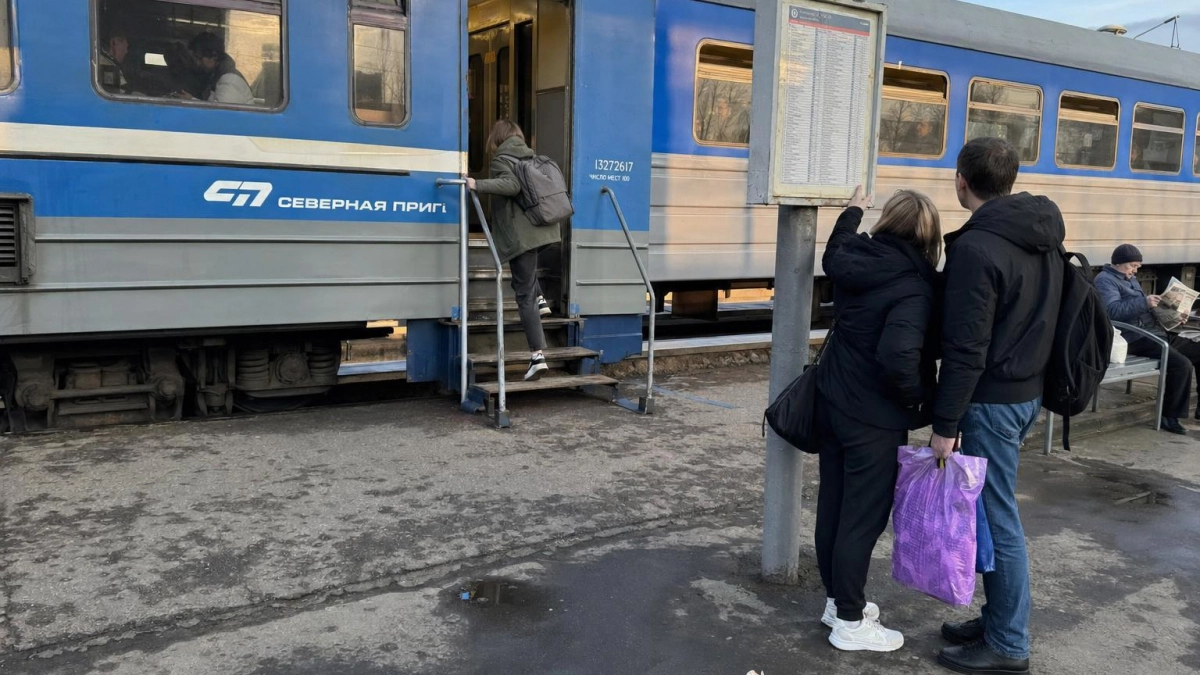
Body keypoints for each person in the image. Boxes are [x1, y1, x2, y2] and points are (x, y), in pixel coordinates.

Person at [931, 137, 1066, 675]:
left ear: (961, 181)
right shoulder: (1042, 234)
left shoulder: (978, 248)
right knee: (993, 515)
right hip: (1026, 391)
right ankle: (997, 619)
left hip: (992, 400)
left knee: (997, 519)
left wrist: (945, 424)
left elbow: (966, 347)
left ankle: (1009, 644)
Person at [815, 186, 942, 653]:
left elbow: (834, 249)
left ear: (886, 222)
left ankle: (837, 603)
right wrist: (919, 403)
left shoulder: (854, 258)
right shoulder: (914, 283)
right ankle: (850, 621)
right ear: (929, 236)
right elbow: (897, 357)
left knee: (834, 505)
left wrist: (852, 210)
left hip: (833, 402)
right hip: (874, 417)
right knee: (862, 519)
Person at [465, 121, 561, 381]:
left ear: (496, 139)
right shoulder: (531, 157)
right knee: (527, 282)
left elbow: (511, 186)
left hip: (523, 237)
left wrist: (477, 184)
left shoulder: (501, 160)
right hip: (545, 230)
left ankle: (537, 356)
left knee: (523, 295)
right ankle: (541, 300)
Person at [1095, 244, 1198, 433]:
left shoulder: (1130, 278)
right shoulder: (1105, 280)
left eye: (1137, 267)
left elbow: (1144, 309)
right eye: (1132, 266)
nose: (1135, 271)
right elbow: (1111, 312)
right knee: (1181, 364)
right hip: (1133, 337)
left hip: (1155, 332)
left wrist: (1175, 315)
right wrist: (1145, 302)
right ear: (1118, 263)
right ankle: (1169, 416)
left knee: (1197, 351)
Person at [176, 32, 254, 105]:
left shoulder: (230, 82)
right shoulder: (216, 76)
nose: (197, 63)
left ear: (214, 56)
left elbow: (221, 113)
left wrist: (191, 100)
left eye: (198, 58)